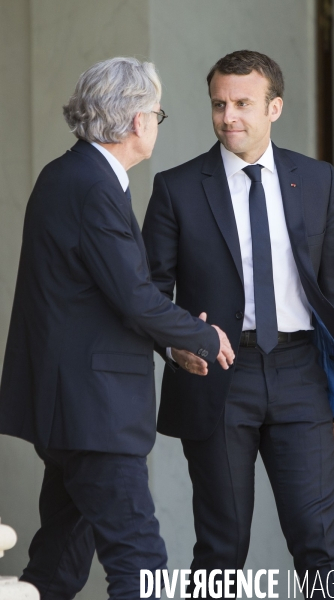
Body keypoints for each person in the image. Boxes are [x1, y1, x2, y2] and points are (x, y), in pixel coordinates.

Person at [142, 50, 334, 598]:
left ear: (275, 107)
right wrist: (177, 347)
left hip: (303, 376)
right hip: (219, 376)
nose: (230, 116)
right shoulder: (176, 188)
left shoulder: (317, 180)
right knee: (222, 547)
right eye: (219, 104)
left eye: (243, 104)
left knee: (320, 544)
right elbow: (150, 294)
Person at [0, 56, 234, 600]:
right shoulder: (90, 185)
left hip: (76, 412)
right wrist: (202, 336)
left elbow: (110, 296)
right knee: (141, 564)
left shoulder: (75, 175)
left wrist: (174, 344)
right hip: (93, 412)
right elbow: (132, 295)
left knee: (56, 568)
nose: (156, 121)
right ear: (137, 121)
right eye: (158, 111)